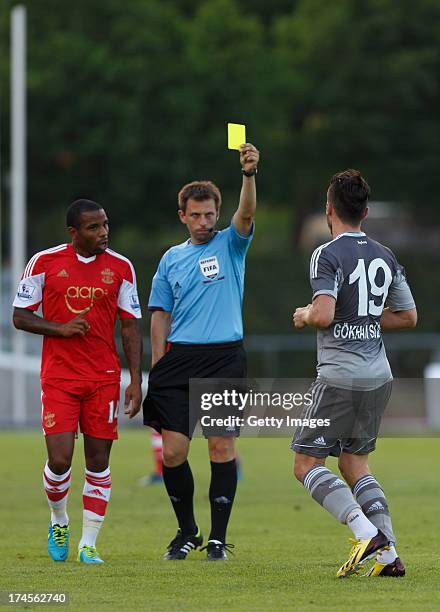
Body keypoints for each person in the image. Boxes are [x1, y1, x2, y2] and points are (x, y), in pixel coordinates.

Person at [292, 169, 417, 578]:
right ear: (364, 211)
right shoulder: (385, 254)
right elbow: (407, 316)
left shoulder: (326, 253)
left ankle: (367, 533)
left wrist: (305, 313)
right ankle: (388, 556)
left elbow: (324, 313)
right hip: (378, 376)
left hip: (341, 376)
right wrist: (364, 316)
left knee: (307, 464)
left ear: (330, 210)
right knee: (354, 465)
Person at [143, 143, 259, 561]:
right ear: (183, 216)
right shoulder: (172, 259)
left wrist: (248, 174)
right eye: (196, 215)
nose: (204, 221)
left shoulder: (231, 244)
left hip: (224, 358)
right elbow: (159, 314)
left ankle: (216, 539)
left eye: (210, 214)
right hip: (178, 361)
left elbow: (246, 214)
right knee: (173, 452)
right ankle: (187, 530)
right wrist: (158, 365)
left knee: (220, 448)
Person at [12, 199, 143, 564]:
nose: (103, 233)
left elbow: (131, 324)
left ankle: (88, 543)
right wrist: (61, 329)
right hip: (59, 377)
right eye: (93, 228)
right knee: (59, 459)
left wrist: (133, 379)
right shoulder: (44, 262)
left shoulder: (121, 267)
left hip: (103, 377)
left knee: (98, 461)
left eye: (105, 225)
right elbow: (20, 317)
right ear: (73, 233)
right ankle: (59, 520)